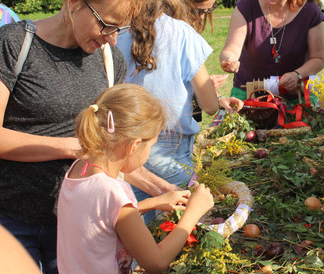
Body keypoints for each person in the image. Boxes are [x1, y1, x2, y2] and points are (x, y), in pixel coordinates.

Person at [0, 0, 144, 272]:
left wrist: (162, 188)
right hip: (9, 221)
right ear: (74, 2)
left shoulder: (110, 61)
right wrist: (68, 147)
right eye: (106, 25)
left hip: (78, 226)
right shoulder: (14, 44)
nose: (113, 39)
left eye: (120, 29)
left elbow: (113, 152)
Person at [118, 0, 242, 223]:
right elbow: (208, 105)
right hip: (170, 150)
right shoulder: (182, 33)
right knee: (173, 233)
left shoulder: (111, 34)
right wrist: (212, 94)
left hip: (124, 150)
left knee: (131, 228)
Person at [57, 84, 214, 273]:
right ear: (135, 146)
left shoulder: (79, 169)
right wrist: (193, 214)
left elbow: (100, 219)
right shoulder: (112, 191)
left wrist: (153, 202)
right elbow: (155, 262)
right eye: (151, 145)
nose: (148, 153)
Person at [220, 0, 324, 101]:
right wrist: (229, 60)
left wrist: (297, 75)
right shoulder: (246, 6)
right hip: (249, 93)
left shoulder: (310, 11)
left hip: (296, 94)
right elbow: (231, 49)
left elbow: (318, 59)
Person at [175, 0, 229, 122]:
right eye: (197, 11)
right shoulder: (181, 34)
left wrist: (218, 96)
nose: (200, 17)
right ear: (182, 0)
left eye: (207, 11)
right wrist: (204, 89)